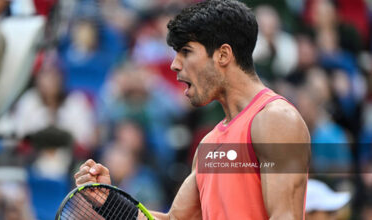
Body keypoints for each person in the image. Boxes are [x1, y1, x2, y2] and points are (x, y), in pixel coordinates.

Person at [74, 0, 311, 219]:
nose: (174, 64)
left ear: (223, 55)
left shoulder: (276, 120)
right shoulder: (208, 146)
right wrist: (109, 201)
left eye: (186, 52)